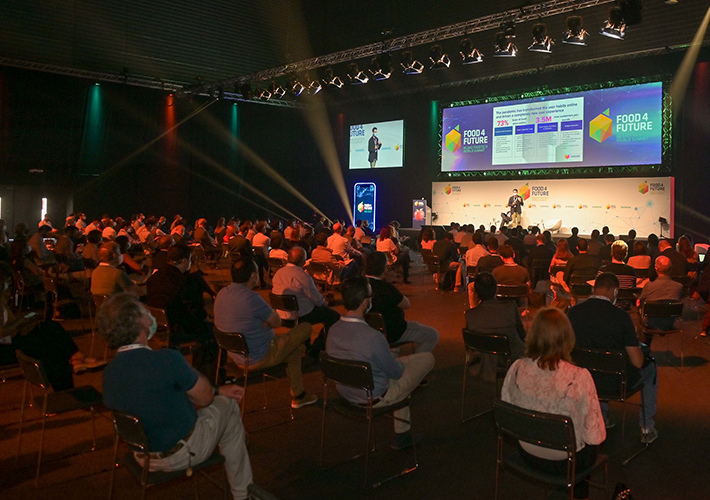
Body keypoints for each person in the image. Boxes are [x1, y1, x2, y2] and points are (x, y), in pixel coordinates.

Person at [98, 293, 253, 500]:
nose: (151, 317)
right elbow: (205, 398)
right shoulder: (166, 359)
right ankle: (243, 494)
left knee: (220, 403)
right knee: (229, 408)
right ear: (139, 323)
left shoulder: (110, 372)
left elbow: (153, 396)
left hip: (142, 455)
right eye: (146, 312)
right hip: (180, 453)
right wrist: (210, 387)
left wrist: (217, 389)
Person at [502, 307, 605, 500]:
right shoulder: (579, 377)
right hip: (566, 462)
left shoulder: (516, 368)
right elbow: (595, 435)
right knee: (590, 442)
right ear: (567, 337)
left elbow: (507, 411)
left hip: (528, 452)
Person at [326, 276, 434, 449]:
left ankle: (402, 433)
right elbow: (396, 373)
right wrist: (398, 365)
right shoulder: (373, 337)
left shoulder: (333, 330)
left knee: (400, 368)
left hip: (347, 391)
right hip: (373, 396)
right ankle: (402, 435)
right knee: (426, 359)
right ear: (364, 302)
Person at [213, 258, 317, 409]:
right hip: (258, 355)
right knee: (306, 327)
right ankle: (298, 394)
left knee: (293, 351)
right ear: (253, 276)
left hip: (235, 353)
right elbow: (276, 322)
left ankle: (299, 396)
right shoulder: (251, 298)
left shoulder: (222, 292)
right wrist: (265, 322)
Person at [567, 273, 659, 443]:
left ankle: (601, 417)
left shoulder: (573, 313)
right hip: (617, 382)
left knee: (595, 362)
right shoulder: (621, 317)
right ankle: (647, 427)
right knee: (650, 367)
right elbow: (637, 362)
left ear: (593, 289)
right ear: (615, 292)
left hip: (583, 378)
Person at [366, 252, 439, 353]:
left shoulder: (358, 285)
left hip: (368, 331)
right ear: (384, 268)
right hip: (393, 331)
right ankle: (416, 362)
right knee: (432, 335)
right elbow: (406, 304)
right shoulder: (386, 288)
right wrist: (388, 284)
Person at [271, 247, 340, 353]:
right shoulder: (302, 276)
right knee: (334, 317)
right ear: (303, 260)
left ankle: (306, 346)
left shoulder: (278, 273)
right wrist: (325, 302)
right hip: (300, 314)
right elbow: (318, 300)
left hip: (281, 313)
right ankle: (316, 350)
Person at [465, 272, 526, 359]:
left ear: (477, 292)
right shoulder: (510, 307)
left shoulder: (470, 315)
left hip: (484, 363)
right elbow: (521, 333)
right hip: (512, 359)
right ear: (496, 289)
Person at [637, 255, 683, 335]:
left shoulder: (649, 285)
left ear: (656, 268)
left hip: (651, 322)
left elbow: (640, 301)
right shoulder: (678, 287)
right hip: (669, 323)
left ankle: (644, 342)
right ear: (671, 269)